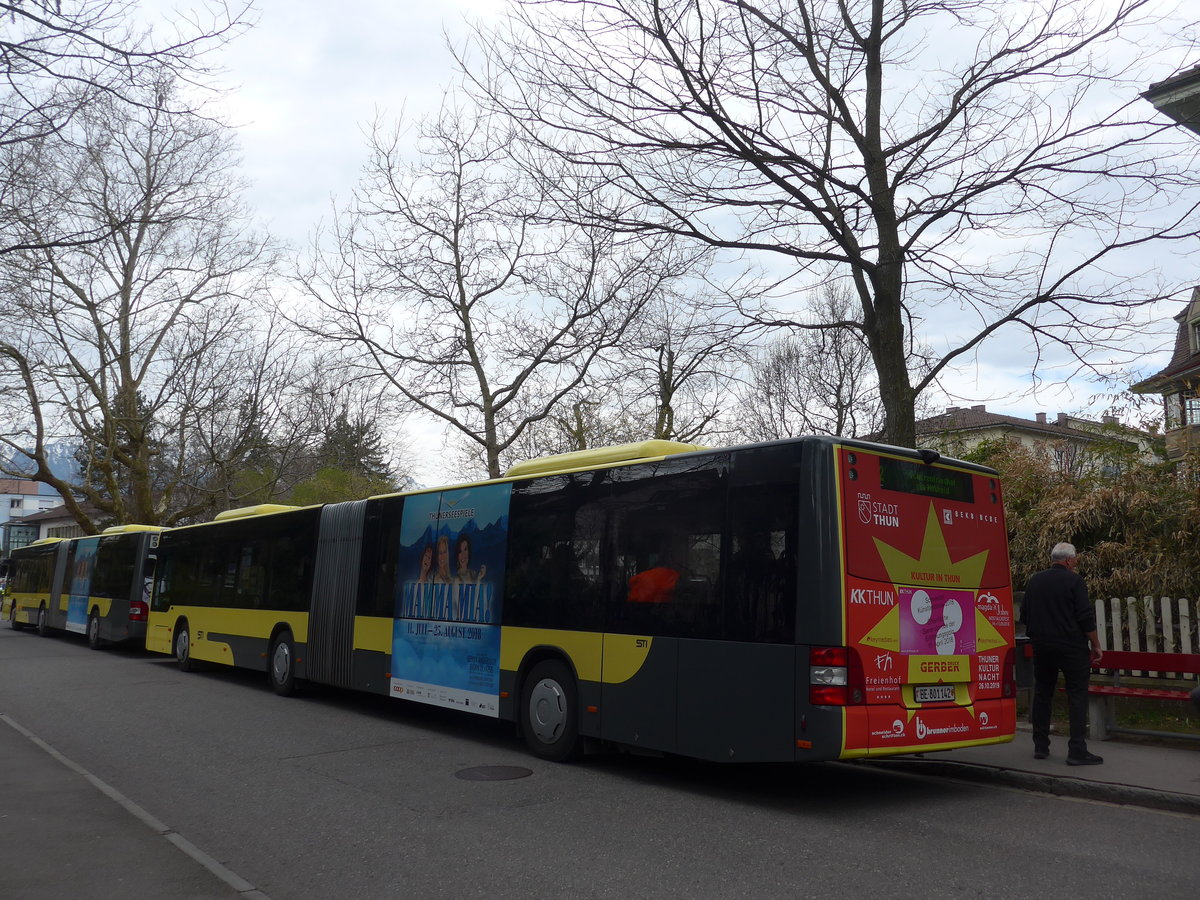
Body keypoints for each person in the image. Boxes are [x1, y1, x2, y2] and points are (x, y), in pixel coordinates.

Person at [1020, 542, 1104, 766]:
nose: (1076, 563)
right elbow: (1085, 617)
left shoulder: (1035, 581)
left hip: (1042, 646)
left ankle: (1040, 745)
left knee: (1043, 693)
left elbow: (1024, 614)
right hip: (1071, 647)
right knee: (1077, 695)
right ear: (1068, 560)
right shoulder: (1075, 581)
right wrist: (1095, 644)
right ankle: (1077, 750)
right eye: (1075, 559)